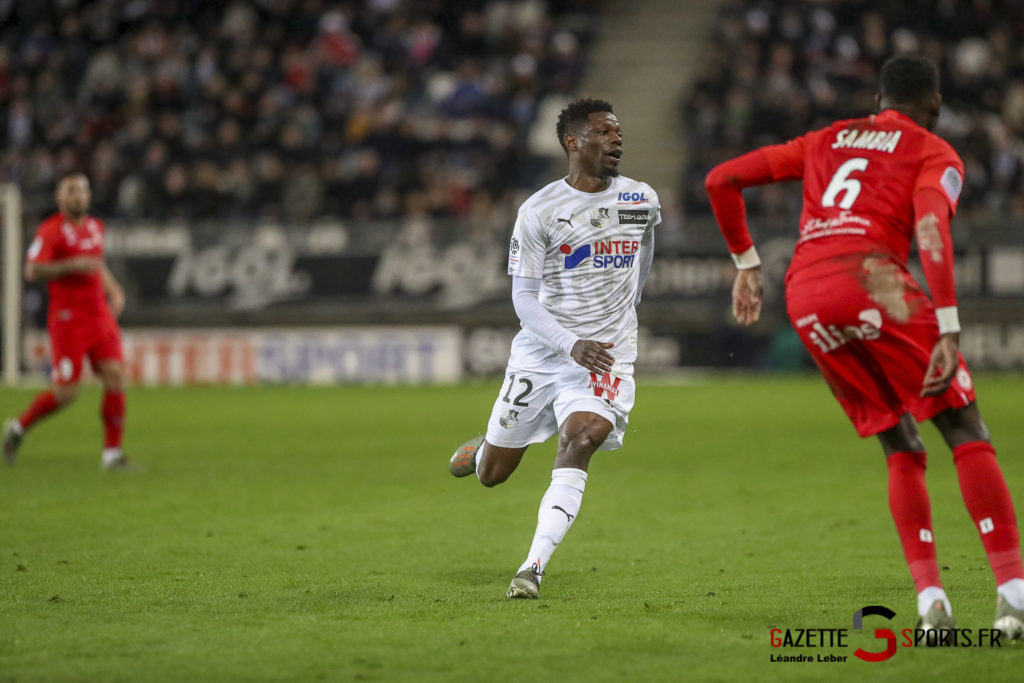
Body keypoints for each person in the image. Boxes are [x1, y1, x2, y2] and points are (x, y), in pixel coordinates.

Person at [705, 54, 1024, 638]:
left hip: (804, 293)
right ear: (935, 106)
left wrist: (747, 263)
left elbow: (721, 179)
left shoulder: (826, 138)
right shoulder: (933, 150)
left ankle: (932, 604)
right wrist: (948, 327)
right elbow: (930, 228)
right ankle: (1014, 597)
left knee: (899, 443)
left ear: (879, 101)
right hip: (873, 280)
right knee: (964, 429)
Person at [448, 98, 660, 599]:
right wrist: (570, 343)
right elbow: (522, 298)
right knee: (493, 476)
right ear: (573, 141)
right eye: (605, 132)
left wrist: (619, 318)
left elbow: (645, 258)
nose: (617, 140)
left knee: (581, 440)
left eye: (618, 131)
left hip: (606, 355)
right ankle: (485, 448)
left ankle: (532, 567)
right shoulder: (539, 210)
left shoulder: (641, 200)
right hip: (544, 353)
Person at [3, 173, 131, 470]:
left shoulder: (96, 227)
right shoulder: (50, 231)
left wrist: (114, 289)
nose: (79, 197)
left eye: (83, 191)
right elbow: (32, 270)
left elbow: (97, 265)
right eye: (72, 192)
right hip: (68, 320)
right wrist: (71, 265)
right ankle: (18, 427)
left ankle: (112, 454)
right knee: (66, 393)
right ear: (60, 198)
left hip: (98, 315)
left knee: (115, 375)